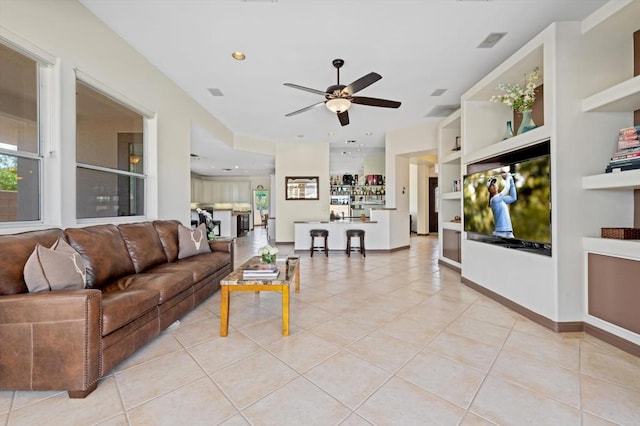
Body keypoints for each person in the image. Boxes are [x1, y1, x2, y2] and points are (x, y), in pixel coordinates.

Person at [487, 171, 517, 238]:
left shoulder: (501, 199)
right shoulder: (494, 200)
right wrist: (508, 178)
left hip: (509, 232)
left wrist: (511, 181)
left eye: (494, 183)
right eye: (491, 185)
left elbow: (513, 197)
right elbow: (506, 189)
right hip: (500, 233)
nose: (494, 185)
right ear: (489, 190)